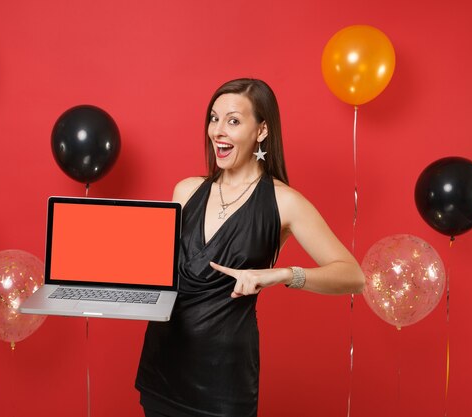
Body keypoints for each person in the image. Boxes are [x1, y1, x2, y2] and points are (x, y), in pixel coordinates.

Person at [135, 78, 365, 417]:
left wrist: (283, 274)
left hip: (223, 380)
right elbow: (161, 274)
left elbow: (354, 276)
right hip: (162, 366)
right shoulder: (186, 191)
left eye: (233, 120)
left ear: (261, 131)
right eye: (214, 118)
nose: (217, 131)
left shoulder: (284, 202)